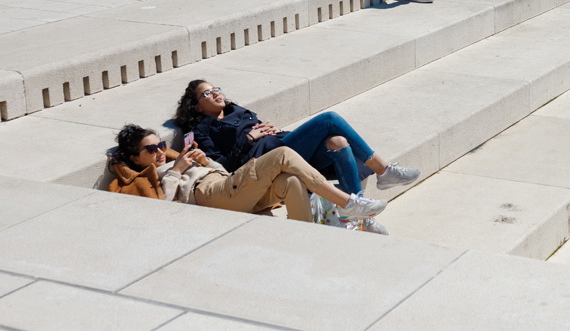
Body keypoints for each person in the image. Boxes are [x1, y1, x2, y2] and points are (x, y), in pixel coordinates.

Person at [174, 81, 419, 205]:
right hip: (266, 160)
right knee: (330, 119)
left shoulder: (236, 110)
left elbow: (261, 128)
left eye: (216, 89)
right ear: (196, 106)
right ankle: (383, 170)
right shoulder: (201, 131)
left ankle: (358, 213)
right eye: (207, 93)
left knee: (338, 141)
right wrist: (248, 139)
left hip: (282, 143)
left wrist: (270, 128)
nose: (216, 94)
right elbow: (223, 166)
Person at [107, 124, 387, 225]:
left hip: (226, 188)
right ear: (135, 157)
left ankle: (304, 234)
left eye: (162, 145)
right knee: (282, 156)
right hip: (208, 196)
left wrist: (208, 163)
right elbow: (162, 205)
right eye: (151, 149)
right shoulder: (151, 175)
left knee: (288, 181)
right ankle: (348, 203)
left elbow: (227, 178)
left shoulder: (176, 158)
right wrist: (178, 169)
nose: (159, 152)